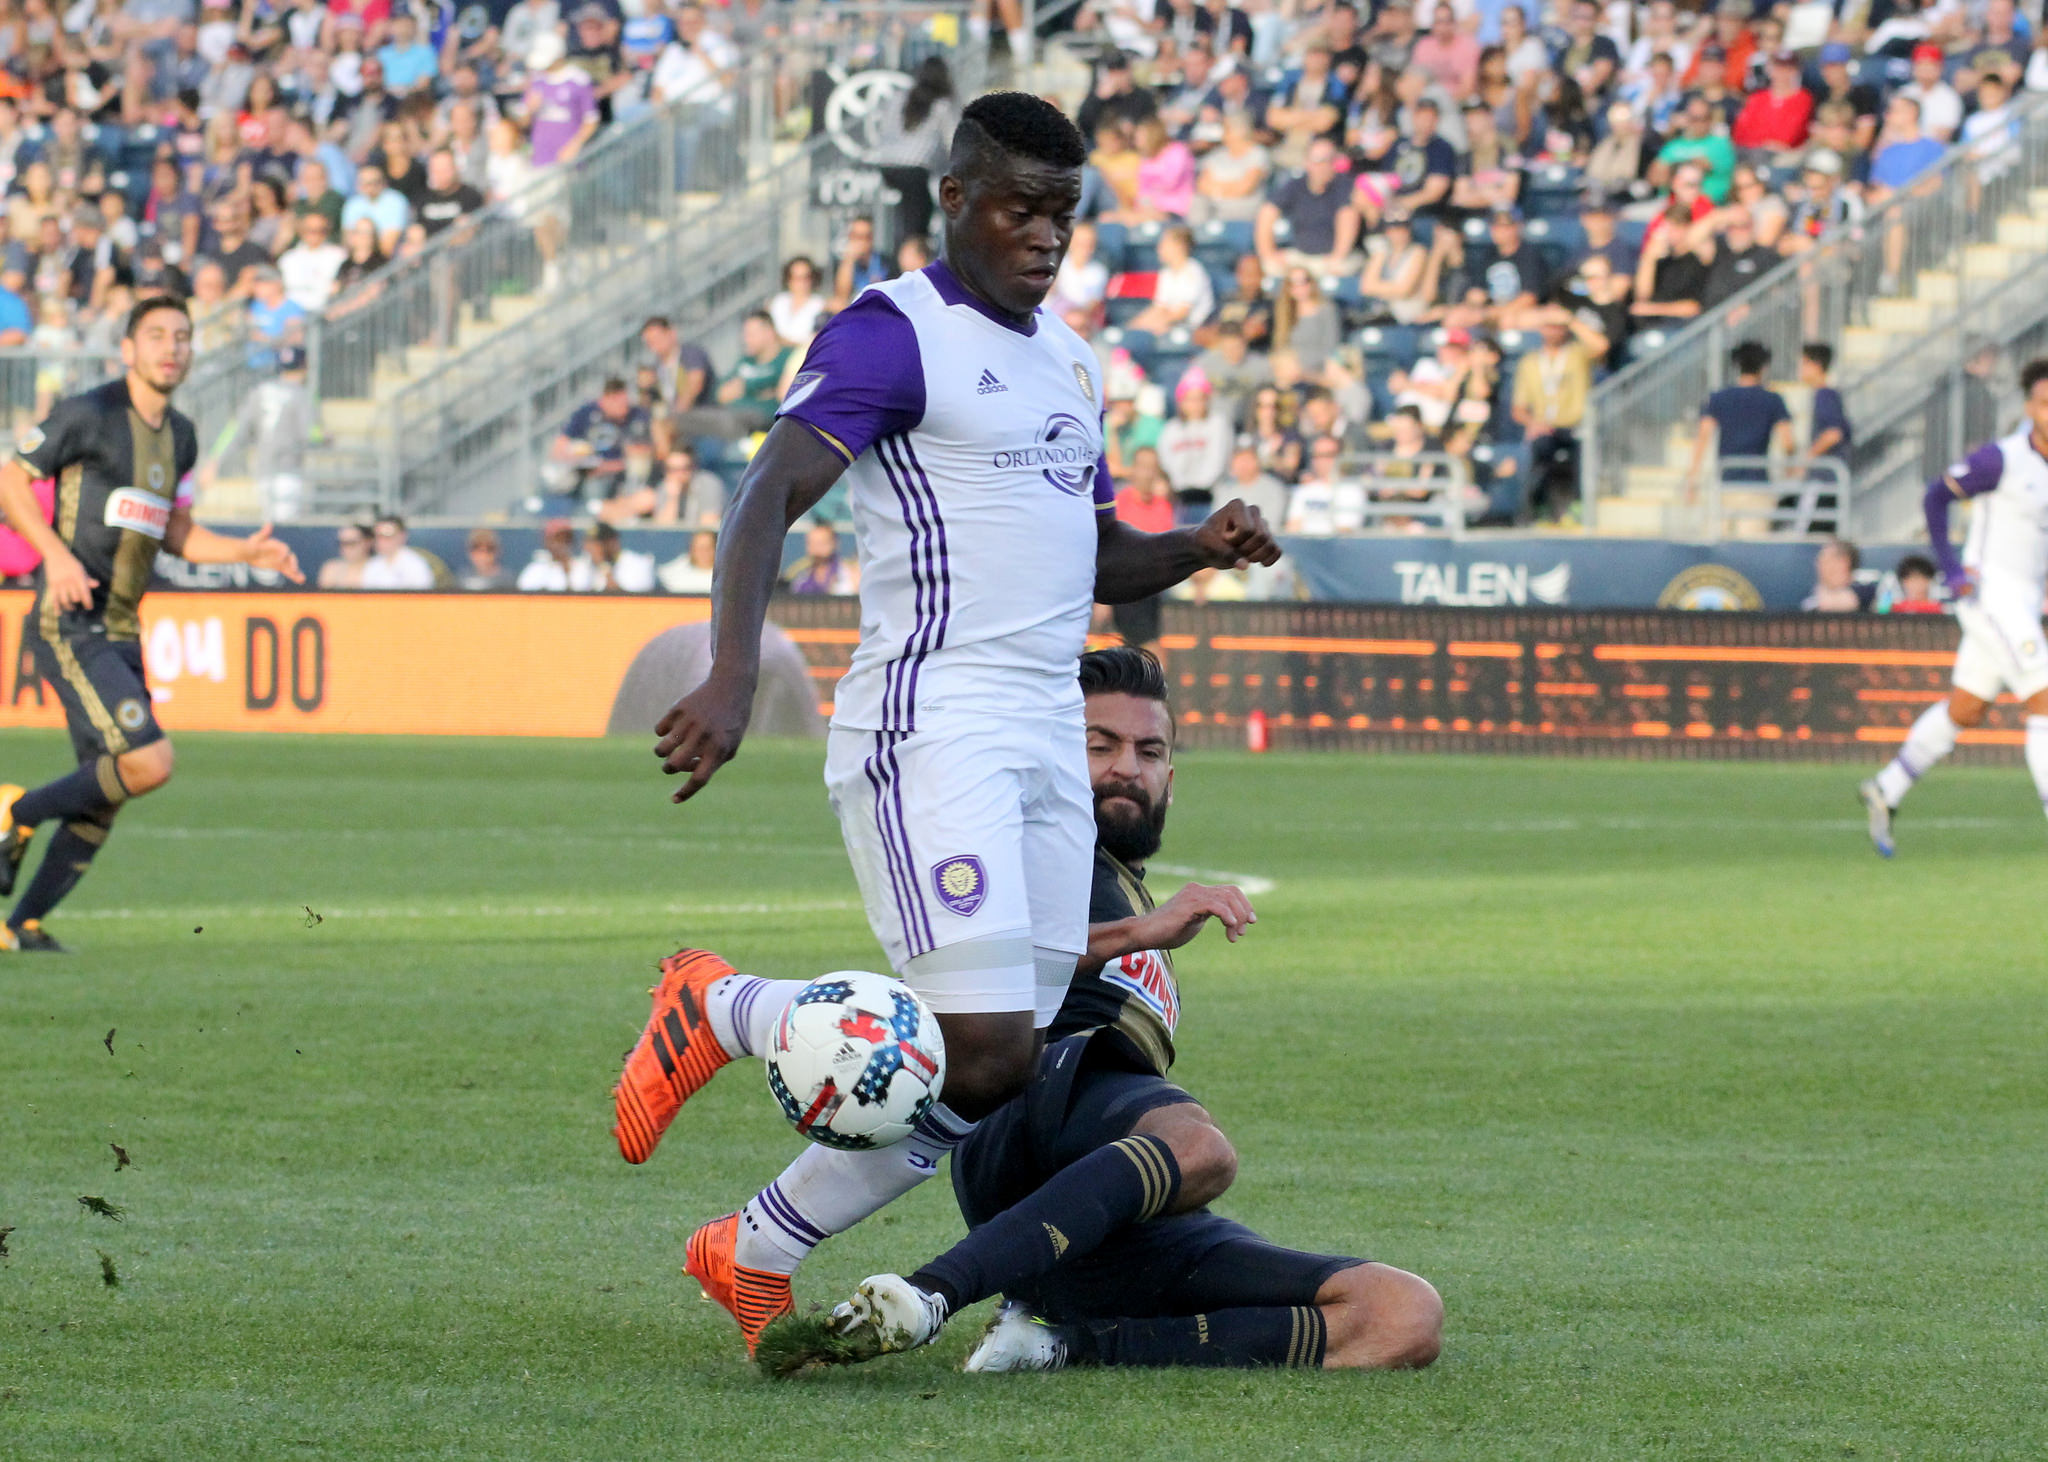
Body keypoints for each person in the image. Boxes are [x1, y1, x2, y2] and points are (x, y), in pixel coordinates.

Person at [617, 91, 1280, 1357]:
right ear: (957, 200)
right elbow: (766, 493)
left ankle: (752, 1249)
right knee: (976, 1040)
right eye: (1020, 208)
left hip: (1041, 734)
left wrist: (1195, 546)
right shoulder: (894, 333)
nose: (1045, 235)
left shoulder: (1070, 360)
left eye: (1063, 213)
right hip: (933, 723)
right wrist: (732, 671)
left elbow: (1091, 551)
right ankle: (724, 1006)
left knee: (998, 1064)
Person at [766, 648, 1442, 1374]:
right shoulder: (1033, 852)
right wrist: (1138, 932)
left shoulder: (1124, 884)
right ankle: (932, 1294)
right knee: (1199, 1147)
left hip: (1107, 1218)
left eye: (1149, 751)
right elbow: (981, 964)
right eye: (1100, 745)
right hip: (1030, 1111)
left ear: (1171, 778)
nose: (1127, 768)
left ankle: (1053, 1343)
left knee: (1401, 1314)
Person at [0, 297, 304, 952]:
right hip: (69, 621)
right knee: (149, 761)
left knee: (111, 786)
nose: (172, 347)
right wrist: (55, 557)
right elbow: (11, 481)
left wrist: (246, 551)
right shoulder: (89, 413)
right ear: (128, 348)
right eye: (158, 335)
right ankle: (13, 813)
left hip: (121, 629)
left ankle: (19, 925)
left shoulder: (181, 436)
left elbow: (176, 531)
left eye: (183, 337)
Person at [1860, 360, 2048, 857]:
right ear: (2030, 408)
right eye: (2045, 403)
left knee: (1966, 708)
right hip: (1991, 596)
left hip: (2023, 599)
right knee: (2045, 696)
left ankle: (1887, 787)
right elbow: (1935, 497)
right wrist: (1953, 570)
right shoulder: (2001, 460)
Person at [1682, 340, 1794, 498]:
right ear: (1763, 367)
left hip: (1726, 482)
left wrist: (1692, 480)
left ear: (1737, 365)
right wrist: (1790, 469)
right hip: (1758, 484)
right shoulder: (1773, 400)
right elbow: (1788, 443)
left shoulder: (1718, 398)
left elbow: (1702, 438)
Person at [780, 520, 858, 596]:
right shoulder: (799, 577)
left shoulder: (850, 574)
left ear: (834, 543)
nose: (817, 548)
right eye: (812, 543)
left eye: (822, 543)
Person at [360, 514, 437, 589]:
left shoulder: (416, 565)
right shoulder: (372, 565)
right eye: (377, 536)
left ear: (402, 536)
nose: (380, 541)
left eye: (387, 535)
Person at [1801, 537, 1873, 612]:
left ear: (1843, 562)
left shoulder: (1863, 593)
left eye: (1825, 561)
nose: (1818, 565)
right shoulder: (1811, 595)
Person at [658, 529, 719, 594]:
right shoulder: (673, 575)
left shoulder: (723, 579)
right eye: (698, 547)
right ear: (691, 549)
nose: (704, 552)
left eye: (708, 547)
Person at [318, 522, 374, 588]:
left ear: (368, 542)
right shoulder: (331, 568)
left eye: (351, 543)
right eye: (342, 543)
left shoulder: (378, 568)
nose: (345, 548)